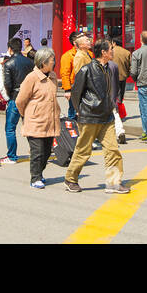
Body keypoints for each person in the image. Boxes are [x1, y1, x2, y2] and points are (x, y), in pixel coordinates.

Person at [64, 39, 128, 194]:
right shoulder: (86, 70)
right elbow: (76, 94)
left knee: (113, 150)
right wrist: (81, 110)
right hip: (90, 116)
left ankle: (113, 183)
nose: (113, 51)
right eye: (110, 49)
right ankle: (70, 179)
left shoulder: (109, 68)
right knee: (83, 150)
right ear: (104, 53)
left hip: (107, 116)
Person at [17, 49, 61, 189]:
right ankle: (35, 177)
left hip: (50, 120)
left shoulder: (53, 76)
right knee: (37, 151)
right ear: (43, 62)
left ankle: (39, 173)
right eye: (52, 60)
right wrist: (27, 114)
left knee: (47, 151)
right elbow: (20, 100)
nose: (54, 62)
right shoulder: (31, 78)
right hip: (35, 121)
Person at [1, 38, 34, 162]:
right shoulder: (30, 62)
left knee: (10, 128)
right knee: (30, 126)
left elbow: (8, 84)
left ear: (10, 49)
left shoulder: (8, 63)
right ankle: (35, 152)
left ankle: (12, 155)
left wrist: (10, 96)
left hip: (15, 98)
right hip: (29, 98)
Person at [59, 30, 93, 121]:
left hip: (87, 88)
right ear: (75, 42)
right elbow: (65, 74)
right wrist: (67, 90)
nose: (87, 39)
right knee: (73, 111)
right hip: (75, 88)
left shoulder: (89, 53)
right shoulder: (68, 56)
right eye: (81, 37)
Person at [110, 30, 132, 144]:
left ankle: (116, 113)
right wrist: (127, 74)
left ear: (113, 43)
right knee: (120, 96)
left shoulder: (110, 52)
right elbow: (129, 66)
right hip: (123, 78)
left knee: (113, 97)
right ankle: (119, 112)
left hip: (112, 78)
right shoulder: (126, 52)